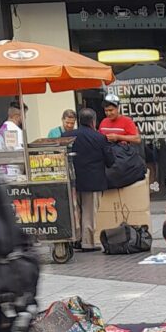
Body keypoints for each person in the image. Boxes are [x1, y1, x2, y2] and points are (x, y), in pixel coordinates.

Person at [63, 108, 114, 252]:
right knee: (89, 213)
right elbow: (110, 161)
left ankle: (75, 239)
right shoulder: (100, 138)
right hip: (93, 180)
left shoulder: (67, 136)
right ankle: (87, 242)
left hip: (72, 180)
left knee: (75, 211)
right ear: (93, 121)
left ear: (79, 120)